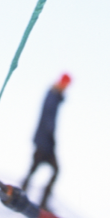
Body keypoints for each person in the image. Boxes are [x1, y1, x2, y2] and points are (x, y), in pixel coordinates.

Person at [21, 72, 71, 208]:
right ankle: (30, 197)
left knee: (36, 168)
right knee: (52, 169)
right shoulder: (53, 96)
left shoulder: (54, 95)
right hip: (45, 141)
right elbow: (48, 118)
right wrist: (50, 136)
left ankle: (26, 194)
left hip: (44, 140)